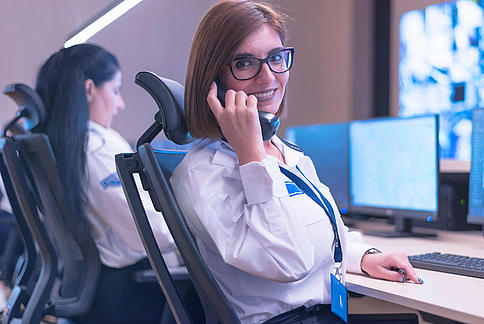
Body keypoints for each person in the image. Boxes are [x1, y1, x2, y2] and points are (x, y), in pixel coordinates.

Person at [170, 1, 423, 323]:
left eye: (276, 58)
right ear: (214, 80)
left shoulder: (287, 153)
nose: (268, 77)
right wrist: (251, 159)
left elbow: (326, 233)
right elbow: (288, 261)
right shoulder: (204, 173)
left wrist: (365, 256)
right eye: (245, 63)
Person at [35, 43, 175, 324]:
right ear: (89, 90)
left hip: (96, 293)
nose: (120, 104)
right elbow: (152, 233)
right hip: (131, 296)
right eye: (115, 90)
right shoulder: (97, 145)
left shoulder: (58, 144)